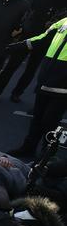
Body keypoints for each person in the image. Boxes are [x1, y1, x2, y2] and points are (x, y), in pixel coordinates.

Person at [0, 0, 67, 102]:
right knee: (11, 65)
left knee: (31, 70)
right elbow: (27, 16)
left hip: (47, 41)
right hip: (27, 37)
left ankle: (17, 93)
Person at [7, 16, 67, 158]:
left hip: (63, 86)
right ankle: (28, 148)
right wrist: (16, 46)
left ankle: (46, 156)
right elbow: (43, 38)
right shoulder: (64, 21)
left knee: (50, 122)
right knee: (37, 118)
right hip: (46, 80)